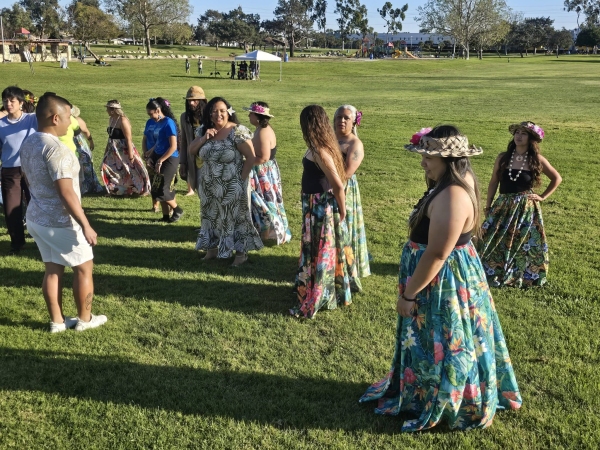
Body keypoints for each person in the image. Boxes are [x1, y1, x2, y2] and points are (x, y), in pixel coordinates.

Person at [360, 125, 521, 431]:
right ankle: (430, 388)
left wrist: (408, 294)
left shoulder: (452, 195)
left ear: (449, 160)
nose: (423, 162)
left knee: (445, 339)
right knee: (443, 339)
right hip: (442, 275)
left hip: (442, 282)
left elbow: (436, 254)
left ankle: (448, 399)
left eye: (429, 157)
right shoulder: (452, 183)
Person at [20, 92, 107, 332]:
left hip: (37, 218)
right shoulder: (57, 150)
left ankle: (57, 322)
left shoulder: (29, 142)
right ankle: (85, 320)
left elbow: (26, 178)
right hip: (61, 222)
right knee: (84, 267)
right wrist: (86, 225)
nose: (71, 122)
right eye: (68, 116)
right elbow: (66, 193)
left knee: (52, 268)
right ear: (55, 118)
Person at [292, 105, 361, 318]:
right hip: (312, 206)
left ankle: (322, 290)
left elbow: (338, 185)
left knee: (322, 249)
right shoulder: (317, 146)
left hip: (321, 208)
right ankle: (310, 281)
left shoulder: (321, 151)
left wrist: (342, 210)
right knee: (314, 247)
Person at [478, 121, 561, 288]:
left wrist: (542, 196)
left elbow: (556, 178)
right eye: (517, 132)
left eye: (523, 133)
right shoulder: (503, 158)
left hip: (525, 207)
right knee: (490, 235)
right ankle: (490, 269)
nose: (519, 136)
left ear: (531, 139)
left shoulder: (536, 159)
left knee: (522, 241)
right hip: (503, 204)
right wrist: (488, 205)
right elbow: (494, 182)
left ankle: (522, 274)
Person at [188, 97, 263, 266]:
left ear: (229, 112)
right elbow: (191, 150)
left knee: (237, 219)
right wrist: (204, 138)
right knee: (210, 217)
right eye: (214, 111)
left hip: (233, 186)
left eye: (222, 111)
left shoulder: (237, 131)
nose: (218, 114)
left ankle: (241, 254)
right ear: (209, 114)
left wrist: (241, 180)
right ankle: (212, 250)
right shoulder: (203, 130)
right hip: (208, 185)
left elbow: (251, 157)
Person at [244, 102, 291, 245]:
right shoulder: (260, 129)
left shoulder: (264, 132)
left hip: (263, 172)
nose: (249, 115)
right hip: (262, 169)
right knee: (263, 201)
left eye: (251, 113)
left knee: (265, 201)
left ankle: (270, 232)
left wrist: (246, 162)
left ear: (257, 116)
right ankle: (264, 232)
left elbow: (264, 157)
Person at [334, 104, 370, 278]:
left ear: (354, 122)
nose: (341, 120)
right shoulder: (330, 138)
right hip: (327, 187)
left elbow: (347, 173)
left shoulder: (355, 144)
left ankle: (346, 264)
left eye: (346, 118)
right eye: (338, 117)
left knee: (344, 223)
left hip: (344, 188)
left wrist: (331, 184)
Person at [0, 86, 37, 254]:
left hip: (32, 169)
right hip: (9, 171)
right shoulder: (1, 124)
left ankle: (42, 239)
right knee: (11, 209)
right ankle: (17, 243)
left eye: (12, 101)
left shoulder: (32, 119)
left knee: (36, 205)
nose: (8, 104)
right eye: (5, 101)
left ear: (21, 103)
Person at [143, 98, 184, 223]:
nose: (150, 117)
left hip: (170, 158)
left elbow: (173, 146)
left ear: (158, 110)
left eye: (151, 114)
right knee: (155, 188)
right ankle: (165, 217)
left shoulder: (168, 123)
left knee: (162, 189)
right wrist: (150, 156)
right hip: (158, 156)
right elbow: (158, 142)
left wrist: (160, 161)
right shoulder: (156, 122)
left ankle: (177, 210)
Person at [101, 100, 150, 196]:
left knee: (129, 169)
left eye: (108, 108)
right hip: (113, 149)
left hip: (123, 149)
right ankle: (116, 188)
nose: (106, 110)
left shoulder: (123, 120)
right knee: (108, 167)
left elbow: (128, 138)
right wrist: (107, 149)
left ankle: (139, 188)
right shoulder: (111, 119)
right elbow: (110, 136)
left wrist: (131, 154)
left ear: (113, 110)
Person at [179, 86, 207, 197]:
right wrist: (182, 162)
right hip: (195, 163)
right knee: (202, 195)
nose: (191, 103)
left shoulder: (211, 116)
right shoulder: (184, 117)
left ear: (202, 101)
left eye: (195, 100)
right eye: (189, 100)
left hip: (210, 162)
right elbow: (184, 141)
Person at [71, 106, 104, 194]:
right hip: (70, 144)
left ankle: (89, 186)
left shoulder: (78, 120)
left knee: (85, 164)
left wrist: (91, 142)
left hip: (79, 144)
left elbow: (86, 131)